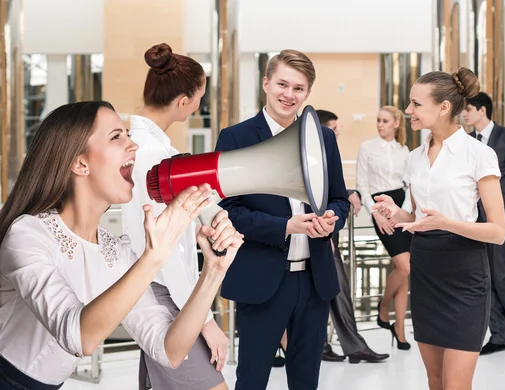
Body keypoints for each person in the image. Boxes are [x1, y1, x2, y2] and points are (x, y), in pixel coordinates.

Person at [0, 101, 242, 389]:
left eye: (128, 134)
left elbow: (170, 351)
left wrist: (213, 271)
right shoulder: (28, 234)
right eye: (117, 137)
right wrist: (155, 254)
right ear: (80, 163)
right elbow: (79, 337)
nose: (134, 146)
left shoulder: (115, 253)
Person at [214, 50, 350, 390]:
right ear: (266, 83)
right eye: (282, 84)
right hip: (263, 280)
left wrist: (334, 218)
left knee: (306, 380)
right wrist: (285, 227)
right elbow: (229, 210)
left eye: (299, 88)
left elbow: (339, 198)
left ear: (308, 93)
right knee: (252, 378)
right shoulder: (236, 139)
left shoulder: (324, 138)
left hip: (315, 280)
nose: (289, 94)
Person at [373, 68, 505, 390]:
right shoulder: (415, 158)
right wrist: (399, 214)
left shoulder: (478, 154)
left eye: (416, 104)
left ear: (443, 107)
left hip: (464, 274)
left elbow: (498, 231)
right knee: (435, 381)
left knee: (455, 385)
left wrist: (446, 223)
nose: (408, 111)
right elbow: (419, 216)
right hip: (425, 269)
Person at [120, 43, 230, 390]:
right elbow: (164, 252)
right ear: (183, 102)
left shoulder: (149, 146)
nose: (200, 105)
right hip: (165, 296)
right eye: (200, 97)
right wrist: (206, 322)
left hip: (160, 293)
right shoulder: (151, 153)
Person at [316, 109, 389, 364]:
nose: (338, 132)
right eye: (334, 128)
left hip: (325, 235)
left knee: (335, 291)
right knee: (334, 290)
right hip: (316, 236)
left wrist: (350, 192)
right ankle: (340, 346)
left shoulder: (326, 156)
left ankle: (340, 346)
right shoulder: (316, 158)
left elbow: (331, 190)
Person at [462, 92, 505, 355]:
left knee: (501, 275)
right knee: (485, 277)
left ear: (482, 111)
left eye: (468, 109)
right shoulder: (468, 141)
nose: (465, 114)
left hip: (502, 220)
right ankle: (499, 333)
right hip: (475, 222)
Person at [355, 105, 413, 351]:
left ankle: (399, 330)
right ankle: (383, 305)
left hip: (402, 208)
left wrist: (404, 213)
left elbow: (410, 185)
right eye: (378, 120)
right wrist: (376, 214)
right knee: (405, 266)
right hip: (380, 208)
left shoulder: (405, 150)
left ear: (396, 124)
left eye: (385, 120)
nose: (380, 124)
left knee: (404, 271)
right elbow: (361, 184)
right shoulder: (367, 148)